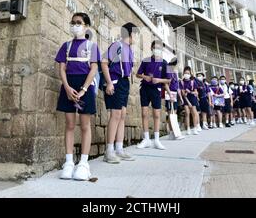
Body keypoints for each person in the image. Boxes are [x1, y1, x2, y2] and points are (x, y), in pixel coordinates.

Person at [55, 13, 101, 181]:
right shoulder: (66, 46)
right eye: (73, 22)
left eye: (79, 23)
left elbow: (94, 69)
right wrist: (67, 88)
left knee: (84, 125)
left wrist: (83, 90)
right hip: (69, 85)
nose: (75, 25)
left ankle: (83, 163)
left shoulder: (92, 46)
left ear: (86, 26)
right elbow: (62, 69)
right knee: (69, 124)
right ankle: (68, 163)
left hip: (85, 86)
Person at [102, 23, 138, 164]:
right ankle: (109, 151)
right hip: (115, 81)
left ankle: (119, 149)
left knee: (122, 115)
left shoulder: (129, 49)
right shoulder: (117, 45)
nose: (136, 37)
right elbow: (104, 63)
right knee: (115, 115)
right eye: (135, 34)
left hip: (124, 83)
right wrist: (109, 82)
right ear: (129, 33)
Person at [136, 40, 171, 150]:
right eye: (155, 47)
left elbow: (168, 80)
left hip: (156, 89)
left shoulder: (165, 63)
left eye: (159, 48)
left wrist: (159, 80)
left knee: (156, 114)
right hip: (145, 89)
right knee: (144, 113)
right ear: (151, 48)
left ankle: (156, 140)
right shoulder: (146, 60)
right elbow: (137, 74)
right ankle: (146, 139)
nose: (157, 50)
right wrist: (144, 77)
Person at [164, 57, 185, 140]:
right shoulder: (169, 70)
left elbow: (177, 86)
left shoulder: (175, 72)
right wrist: (170, 95)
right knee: (170, 113)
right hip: (170, 93)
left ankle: (174, 132)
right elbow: (166, 84)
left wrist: (180, 98)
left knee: (174, 113)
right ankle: (172, 133)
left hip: (174, 94)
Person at [181, 67, 201, 135]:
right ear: (183, 73)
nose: (187, 74)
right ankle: (188, 129)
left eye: (188, 73)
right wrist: (188, 102)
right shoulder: (182, 82)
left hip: (192, 98)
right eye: (185, 73)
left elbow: (196, 92)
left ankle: (195, 128)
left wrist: (190, 92)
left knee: (194, 113)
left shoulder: (193, 82)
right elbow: (183, 94)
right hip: (186, 99)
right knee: (187, 113)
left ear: (190, 74)